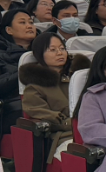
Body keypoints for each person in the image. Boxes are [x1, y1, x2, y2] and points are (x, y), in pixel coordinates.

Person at [19, 33, 90, 162]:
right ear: (40, 55)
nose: (59, 53)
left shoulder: (81, 77)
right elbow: (41, 114)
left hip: (92, 130)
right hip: (66, 135)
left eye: (62, 48)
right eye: (52, 50)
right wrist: (72, 123)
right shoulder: (35, 86)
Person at [0, 8, 38, 129]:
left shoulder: (44, 52)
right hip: (14, 106)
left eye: (31, 22)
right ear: (9, 30)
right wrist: (25, 72)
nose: (29, 26)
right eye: (22, 22)